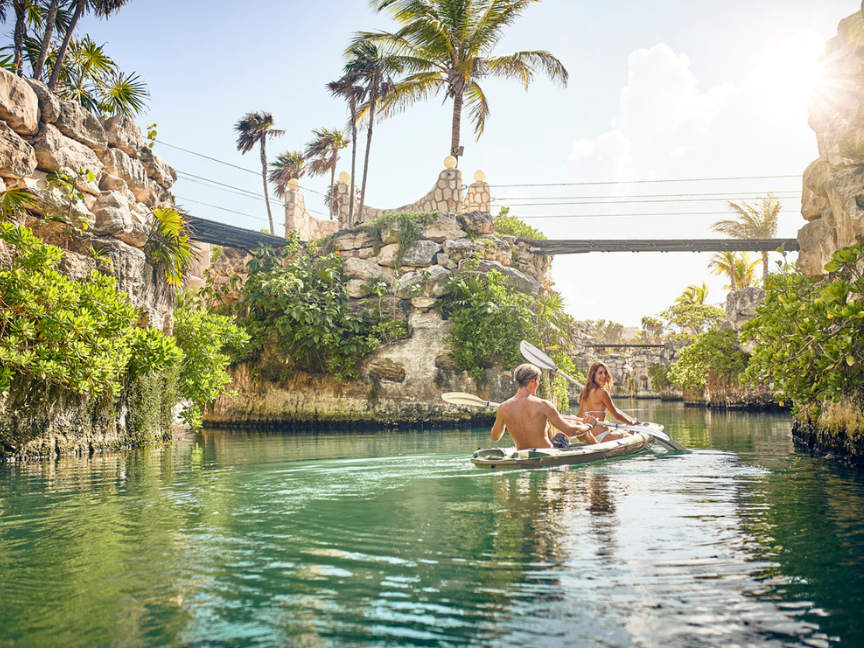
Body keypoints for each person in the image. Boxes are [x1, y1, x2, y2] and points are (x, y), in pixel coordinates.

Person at [491, 364, 599, 450]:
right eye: (538, 380)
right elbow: (570, 431)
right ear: (533, 381)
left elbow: (495, 437)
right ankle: (600, 448)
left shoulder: (503, 407)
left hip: (523, 454)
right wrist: (589, 425)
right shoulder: (543, 405)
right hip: (548, 453)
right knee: (573, 420)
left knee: (550, 423)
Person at [577, 361, 641, 442]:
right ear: (593, 375)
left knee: (617, 430)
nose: (604, 376)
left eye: (605, 373)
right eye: (600, 373)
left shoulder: (585, 393)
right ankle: (628, 433)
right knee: (624, 433)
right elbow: (617, 416)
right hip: (603, 436)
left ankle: (623, 431)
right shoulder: (602, 392)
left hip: (592, 437)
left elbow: (579, 416)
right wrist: (632, 422)